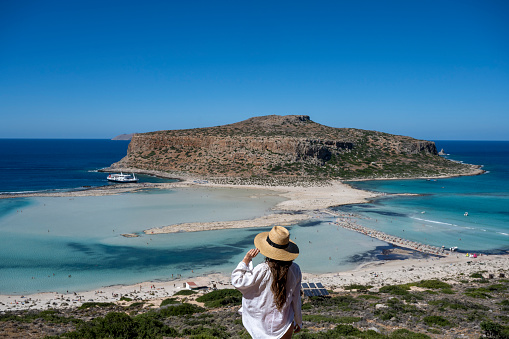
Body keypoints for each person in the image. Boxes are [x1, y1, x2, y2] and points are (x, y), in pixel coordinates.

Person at [231, 226, 302, 339]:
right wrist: (299, 321)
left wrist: (246, 260)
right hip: (285, 324)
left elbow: (238, 281)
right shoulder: (295, 270)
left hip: (261, 326)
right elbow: (296, 298)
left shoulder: (263, 269)